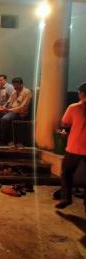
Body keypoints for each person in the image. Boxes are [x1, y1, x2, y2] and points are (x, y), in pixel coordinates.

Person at [55, 82, 86, 210]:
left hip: (75, 146)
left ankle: (66, 198)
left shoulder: (74, 107)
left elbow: (65, 123)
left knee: (67, 172)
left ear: (82, 93)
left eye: (79, 93)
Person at [0, 77, 32, 145]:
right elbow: (8, 103)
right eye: (14, 86)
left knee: (5, 119)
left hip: (19, 113)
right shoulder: (14, 92)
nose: (15, 88)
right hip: (10, 110)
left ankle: (4, 141)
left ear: (21, 84)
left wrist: (8, 110)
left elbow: (23, 107)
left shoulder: (27, 92)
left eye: (17, 86)